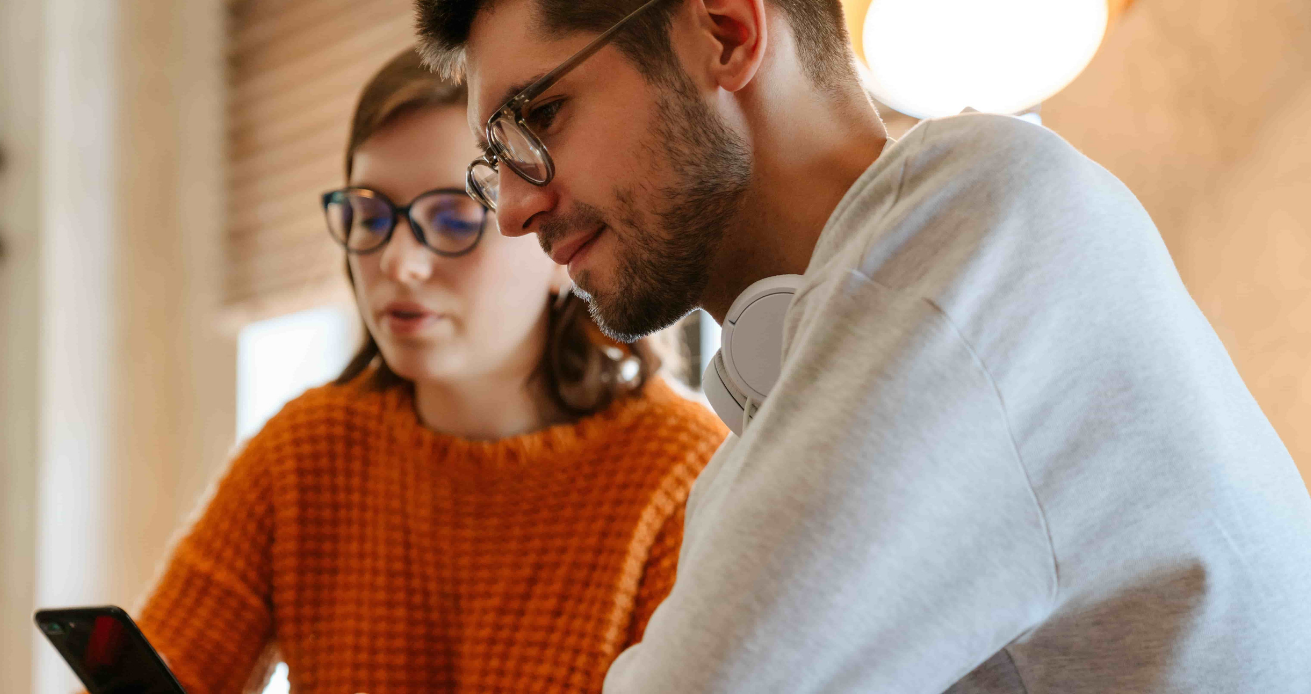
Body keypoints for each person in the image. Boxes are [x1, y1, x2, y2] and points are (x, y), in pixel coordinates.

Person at [412, 0, 1311, 691]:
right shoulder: (756, 447)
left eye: (541, 114)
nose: (515, 208)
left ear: (726, 31)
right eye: (497, 158)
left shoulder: (979, 216)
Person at [131, 48, 727, 694]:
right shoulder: (304, 460)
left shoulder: (681, 479)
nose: (399, 264)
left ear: (558, 242)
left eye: (452, 218)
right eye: (370, 215)